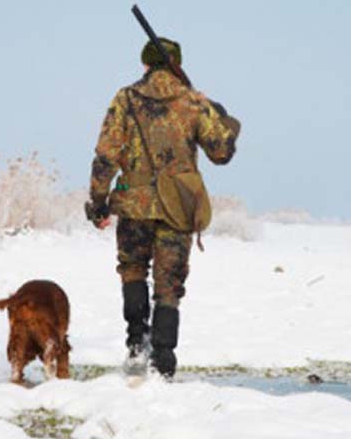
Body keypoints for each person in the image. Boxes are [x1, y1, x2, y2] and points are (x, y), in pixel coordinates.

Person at [85, 37, 241, 378]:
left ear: (145, 64)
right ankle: (164, 361)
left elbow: (106, 155)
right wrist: (222, 117)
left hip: (133, 205)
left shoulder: (125, 98)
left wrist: (98, 203)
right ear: (176, 64)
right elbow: (222, 153)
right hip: (178, 207)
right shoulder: (193, 101)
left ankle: (136, 347)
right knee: (169, 284)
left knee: (132, 270)